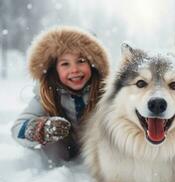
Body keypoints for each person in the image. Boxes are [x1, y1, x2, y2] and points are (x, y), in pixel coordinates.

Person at [11, 26, 110, 164]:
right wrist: (39, 129)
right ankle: (56, 169)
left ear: (93, 64)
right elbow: (17, 128)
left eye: (81, 61)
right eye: (65, 64)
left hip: (98, 153)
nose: (74, 69)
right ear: (54, 69)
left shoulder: (106, 90)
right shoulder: (48, 94)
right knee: (53, 145)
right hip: (62, 152)